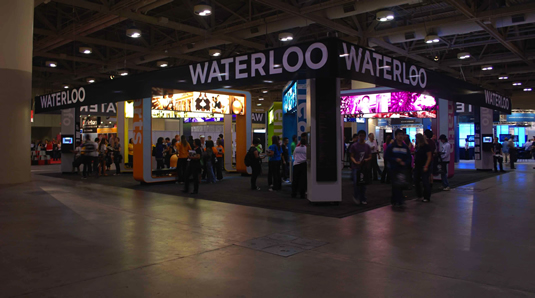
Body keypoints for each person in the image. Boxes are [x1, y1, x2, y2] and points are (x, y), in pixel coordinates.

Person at [386, 130, 412, 207]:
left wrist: (405, 163)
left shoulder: (405, 147)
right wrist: (395, 160)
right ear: (396, 136)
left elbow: (409, 158)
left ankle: (399, 199)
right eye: (399, 135)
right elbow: (387, 156)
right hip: (394, 168)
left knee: (401, 184)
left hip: (402, 169)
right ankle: (396, 200)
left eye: (402, 135)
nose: (400, 136)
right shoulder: (392, 146)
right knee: (395, 184)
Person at [349, 130, 371, 205]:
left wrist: (366, 160)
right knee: (356, 183)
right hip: (356, 167)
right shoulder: (354, 146)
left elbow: (370, 156)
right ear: (358, 136)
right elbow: (351, 156)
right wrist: (355, 162)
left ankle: (363, 198)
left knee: (363, 184)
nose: (361, 137)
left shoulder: (367, 146)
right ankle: (356, 196)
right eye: (360, 136)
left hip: (364, 167)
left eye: (363, 136)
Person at [414, 133, 432, 202]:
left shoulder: (426, 146)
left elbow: (429, 156)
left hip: (424, 166)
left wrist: (426, 165)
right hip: (418, 166)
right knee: (416, 181)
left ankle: (426, 197)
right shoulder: (418, 146)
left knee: (425, 181)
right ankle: (419, 195)